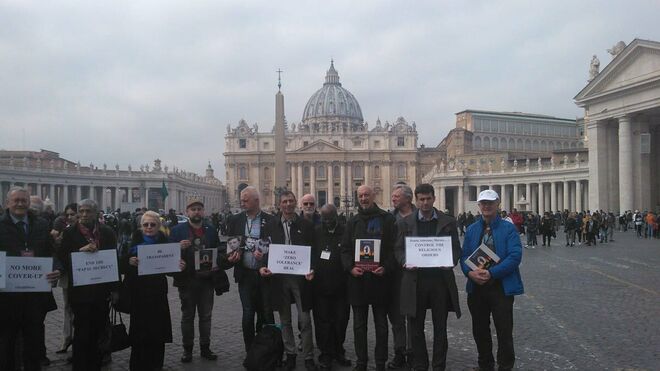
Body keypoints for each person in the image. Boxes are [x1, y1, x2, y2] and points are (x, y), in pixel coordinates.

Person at [394, 184, 462, 371]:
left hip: (440, 281)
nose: (425, 203)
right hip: (415, 281)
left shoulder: (448, 221)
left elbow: (456, 248)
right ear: (416, 200)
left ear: (433, 198)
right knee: (416, 329)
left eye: (428, 199)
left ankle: (439, 366)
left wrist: (451, 260)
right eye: (421, 199)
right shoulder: (403, 223)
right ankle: (420, 365)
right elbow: (398, 249)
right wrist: (404, 261)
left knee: (441, 328)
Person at [461, 190, 523, 371]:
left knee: (504, 331)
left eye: (490, 203)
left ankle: (505, 366)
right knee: (479, 330)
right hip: (477, 287)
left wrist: (492, 273)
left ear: (498, 204)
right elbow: (464, 256)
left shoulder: (509, 228)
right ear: (479, 206)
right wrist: (469, 273)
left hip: (500, 287)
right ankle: (485, 364)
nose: (486, 206)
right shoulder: (472, 229)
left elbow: (515, 256)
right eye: (483, 203)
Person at [0, 187, 61, 371]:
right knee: (6, 343)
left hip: (35, 296)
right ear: (7, 203)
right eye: (16, 200)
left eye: (23, 200)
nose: (20, 203)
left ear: (28, 203)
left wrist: (57, 268)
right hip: (6, 297)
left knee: (33, 343)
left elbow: (52, 252)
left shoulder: (41, 224)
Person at [341, 185, 397, 371]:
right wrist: (350, 268)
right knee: (359, 326)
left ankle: (380, 362)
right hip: (358, 281)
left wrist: (386, 268)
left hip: (380, 279)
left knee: (381, 325)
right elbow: (346, 250)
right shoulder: (353, 221)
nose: (363, 198)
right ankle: (361, 361)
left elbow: (392, 249)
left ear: (374, 196)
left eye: (366, 195)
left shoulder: (387, 219)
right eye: (360, 196)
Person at [259, 191, 317, 370]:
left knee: (305, 319)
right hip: (279, 278)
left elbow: (313, 250)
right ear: (279, 204)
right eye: (284, 201)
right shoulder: (269, 226)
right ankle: (290, 354)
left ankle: (308, 356)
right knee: (284, 320)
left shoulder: (306, 225)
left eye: (291, 201)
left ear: (295, 203)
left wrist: (313, 268)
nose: (288, 204)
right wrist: (262, 266)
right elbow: (263, 250)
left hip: (301, 278)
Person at [121, 211, 186, 370]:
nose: (149, 227)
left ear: (159, 226)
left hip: (157, 295)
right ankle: (137, 366)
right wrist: (129, 262)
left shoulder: (166, 244)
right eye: (146, 224)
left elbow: (170, 271)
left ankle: (156, 365)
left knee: (158, 333)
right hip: (138, 294)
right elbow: (121, 265)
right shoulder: (131, 243)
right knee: (139, 333)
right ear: (141, 226)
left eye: (153, 224)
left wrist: (180, 268)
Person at [60, 199, 117, 371]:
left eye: (88, 211)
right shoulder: (70, 233)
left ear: (96, 213)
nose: (84, 215)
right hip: (80, 291)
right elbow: (62, 259)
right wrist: (79, 252)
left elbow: (113, 259)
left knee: (99, 330)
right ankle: (80, 365)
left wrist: (115, 288)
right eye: (81, 211)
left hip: (101, 291)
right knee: (81, 332)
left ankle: (96, 365)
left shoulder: (107, 232)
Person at [222, 186, 275, 360]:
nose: (242, 202)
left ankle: (265, 348)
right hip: (245, 273)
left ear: (256, 201)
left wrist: (265, 258)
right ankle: (250, 349)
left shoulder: (270, 220)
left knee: (265, 313)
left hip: (264, 274)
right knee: (247, 312)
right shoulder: (235, 219)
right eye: (242, 199)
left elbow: (275, 247)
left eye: (245, 200)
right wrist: (232, 256)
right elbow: (231, 245)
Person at [169, 197, 221, 363]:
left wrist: (217, 261)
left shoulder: (211, 230)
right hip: (187, 280)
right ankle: (187, 349)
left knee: (206, 316)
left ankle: (205, 347)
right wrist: (178, 248)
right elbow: (168, 253)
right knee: (187, 316)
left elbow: (220, 249)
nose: (196, 212)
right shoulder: (177, 231)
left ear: (203, 211)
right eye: (193, 209)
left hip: (207, 280)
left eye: (199, 209)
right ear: (187, 212)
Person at [311, 204, 351, 369]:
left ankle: (338, 350)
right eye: (324, 219)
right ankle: (326, 352)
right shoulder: (317, 231)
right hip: (321, 285)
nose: (327, 222)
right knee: (323, 322)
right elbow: (312, 254)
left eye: (330, 219)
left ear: (336, 216)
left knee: (341, 320)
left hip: (342, 286)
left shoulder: (346, 231)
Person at [388, 183, 415, 368]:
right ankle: (400, 351)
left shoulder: (421, 217)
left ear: (407, 198)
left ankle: (413, 352)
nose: (393, 199)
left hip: (415, 273)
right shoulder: (389, 218)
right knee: (396, 317)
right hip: (394, 273)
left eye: (396, 196)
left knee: (413, 316)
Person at [54, 203, 78, 355]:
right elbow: (60, 255)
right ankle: (66, 338)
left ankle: (77, 340)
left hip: (84, 276)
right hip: (68, 276)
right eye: (67, 215)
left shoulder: (92, 232)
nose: (69, 217)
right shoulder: (65, 233)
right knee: (68, 307)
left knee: (79, 309)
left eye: (72, 214)